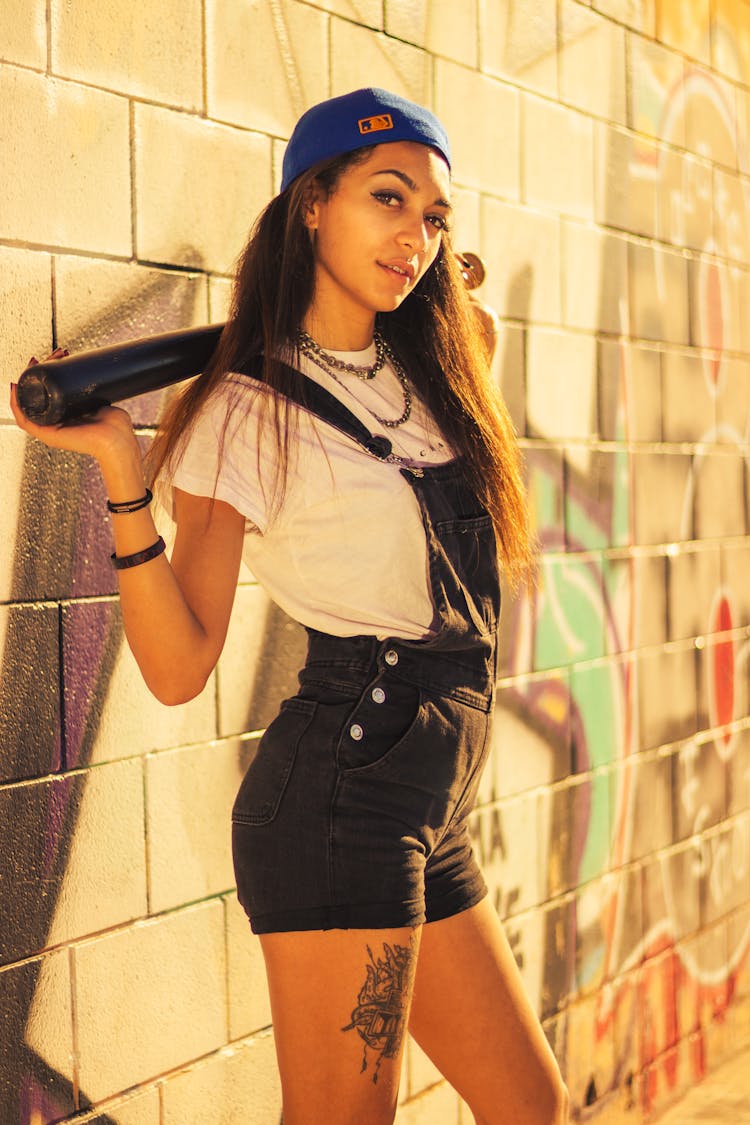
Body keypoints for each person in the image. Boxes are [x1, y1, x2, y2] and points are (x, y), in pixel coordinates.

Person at [11, 88, 568, 1125]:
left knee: (532, 1108)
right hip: (341, 799)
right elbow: (180, 669)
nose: (415, 237)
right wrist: (122, 472)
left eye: (435, 218)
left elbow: (471, 320)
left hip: (426, 803)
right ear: (312, 204)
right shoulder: (243, 411)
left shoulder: (435, 367)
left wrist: (443, 296)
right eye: (387, 200)